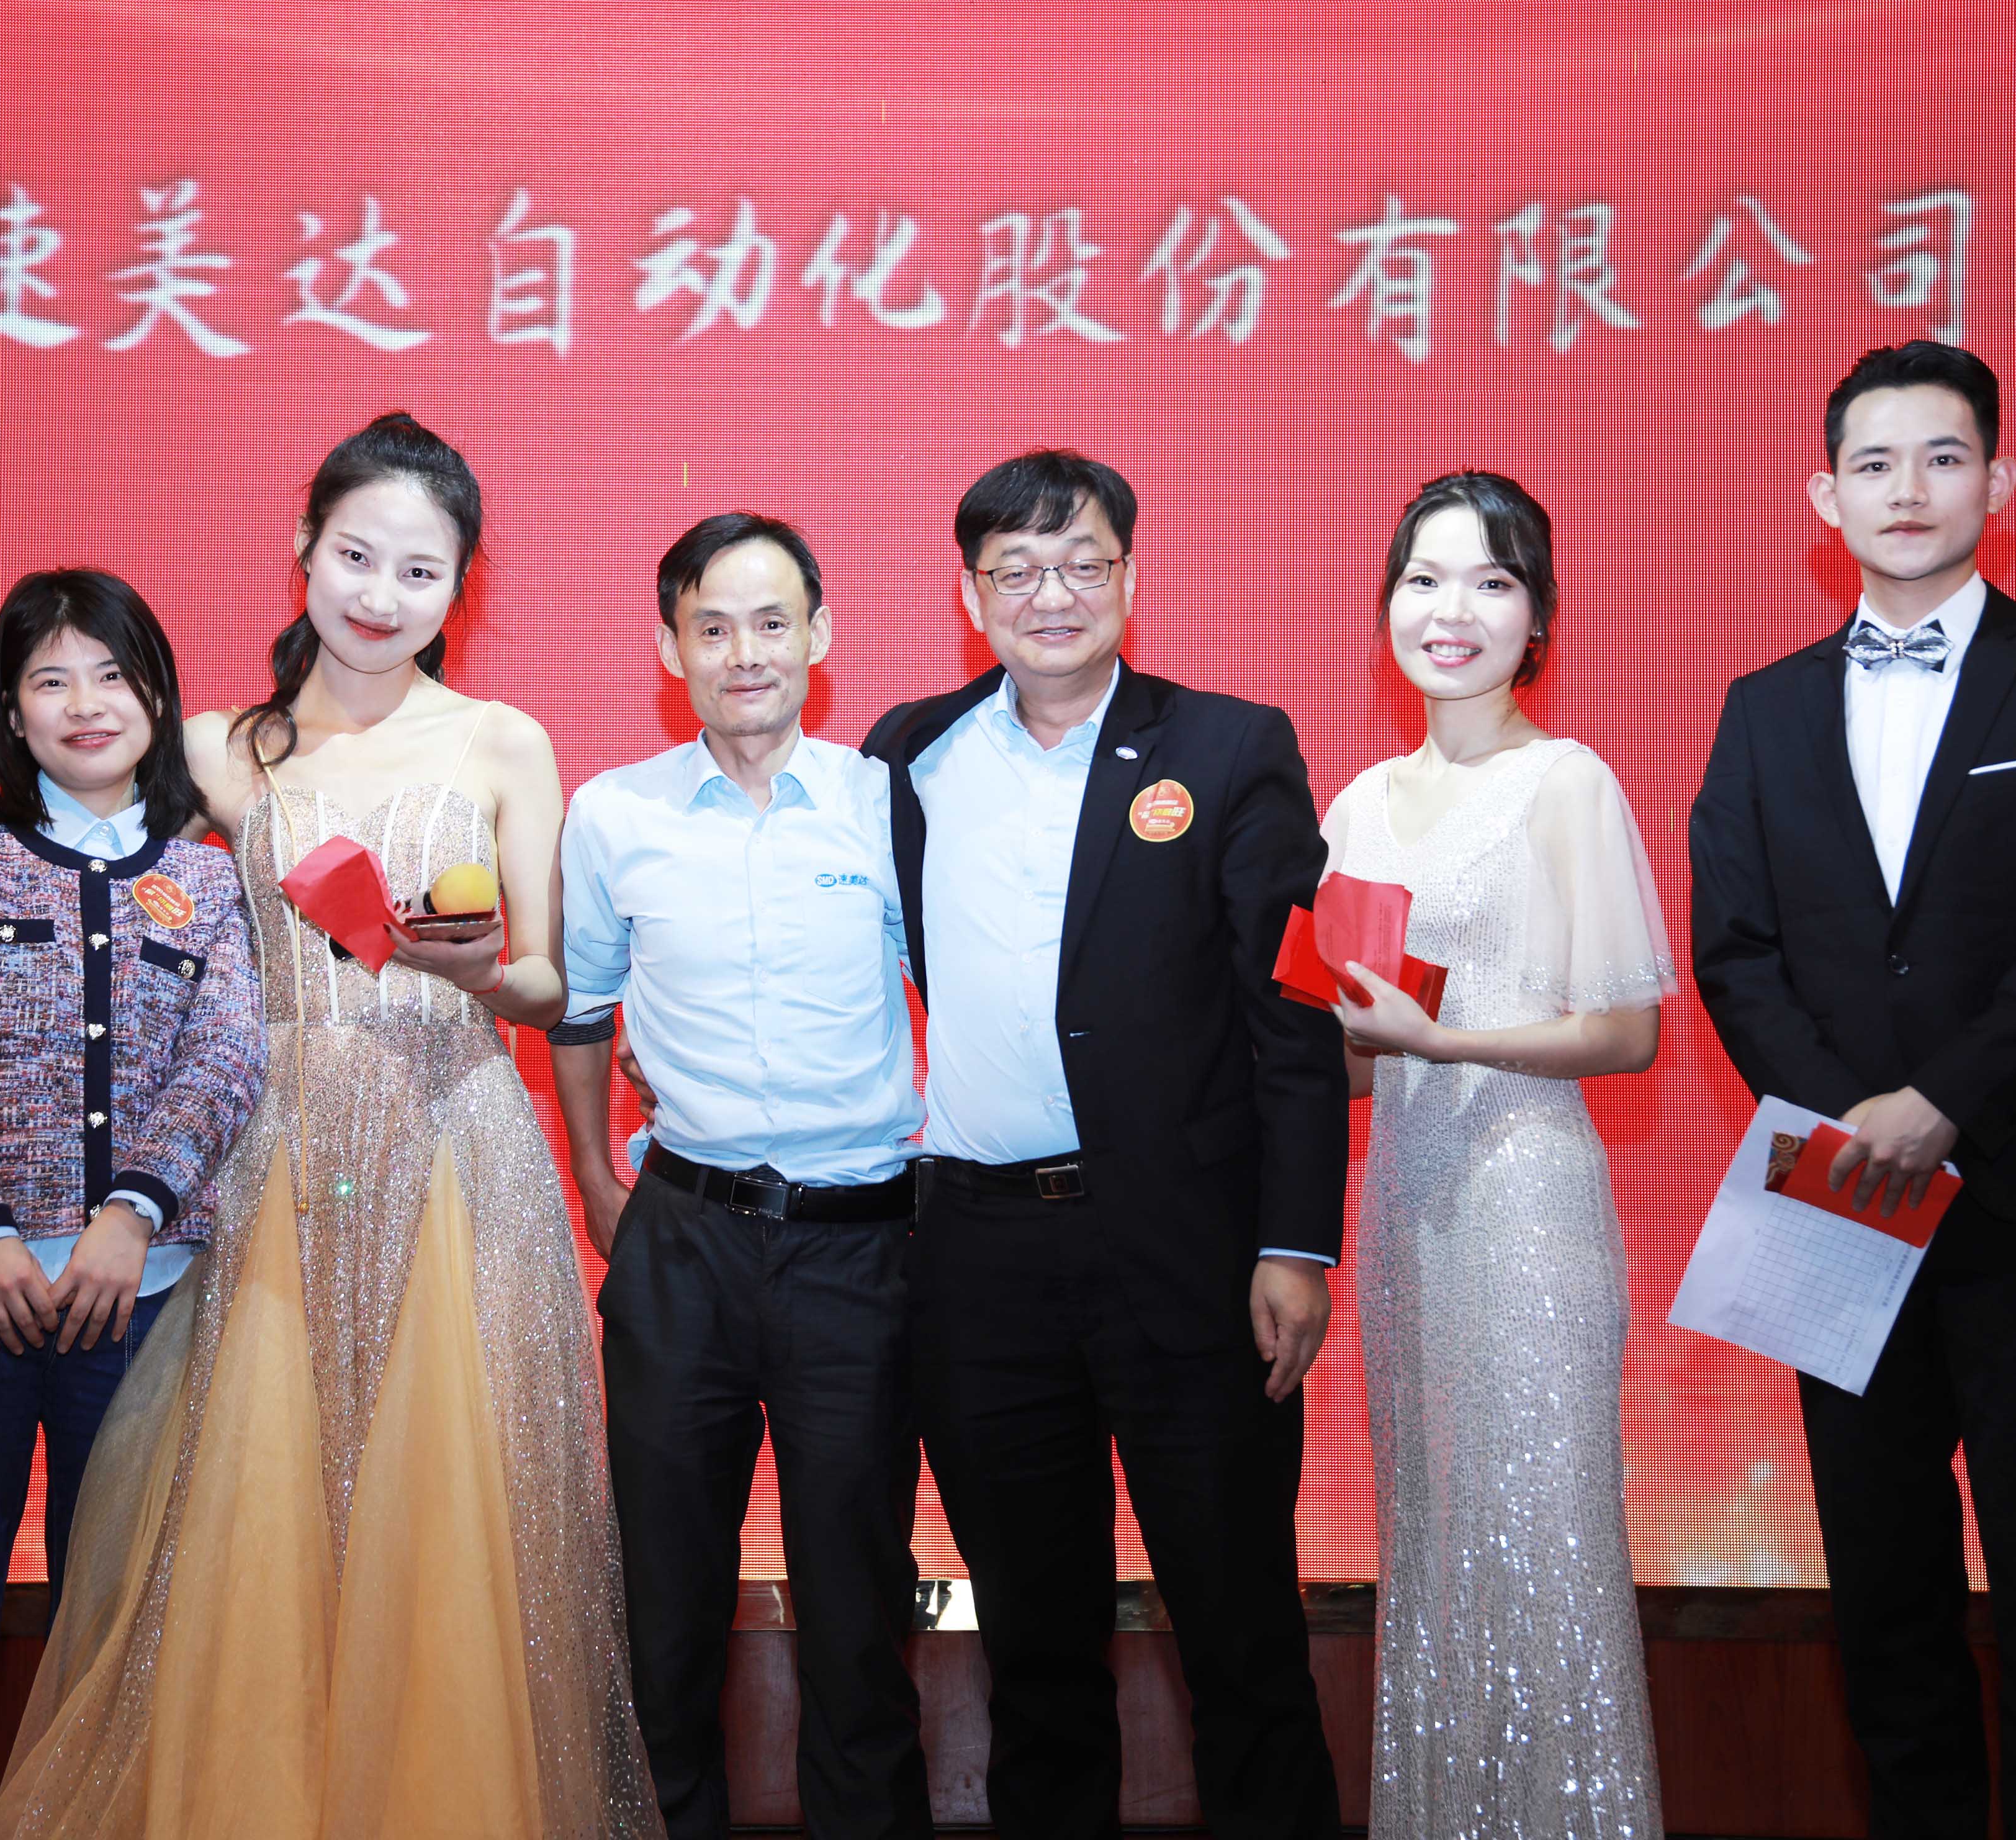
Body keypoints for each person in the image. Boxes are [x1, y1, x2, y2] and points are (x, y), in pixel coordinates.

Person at [0, 413, 661, 1834]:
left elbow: (550, 984)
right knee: (257, 1517)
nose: (380, 594)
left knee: (442, 1511)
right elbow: (79, 850)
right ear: (303, 549)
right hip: (264, 1158)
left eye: (420, 571)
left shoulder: (504, 742)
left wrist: (483, 972)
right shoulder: (220, 748)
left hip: (453, 1140)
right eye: (355, 555)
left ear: (460, 586)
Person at [1690, 341, 2016, 1838]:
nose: (1909, 489)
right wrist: (1853, 1119)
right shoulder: (1762, 706)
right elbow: (1735, 950)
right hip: (1834, 1197)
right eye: (1875, 463)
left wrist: (1942, 1100)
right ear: (1824, 495)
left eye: (1944, 457)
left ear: (1998, 481)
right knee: (1882, 1590)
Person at [860, 450, 1347, 1840]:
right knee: (1035, 1647)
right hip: (979, 1260)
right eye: (1016, 569)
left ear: (1130, 575)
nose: (1052, 594)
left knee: (1241, 1631)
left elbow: (1294, 1014)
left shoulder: (1230, 747)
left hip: (1186, 1252)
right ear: (971, 594)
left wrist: (1295, 1244)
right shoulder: (907, 755)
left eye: (1083, 562)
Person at [0, 568, 266, 1840]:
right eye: (52, 679)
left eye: (115, 676)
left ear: (157, 700)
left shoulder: (213, 879)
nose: (86, 704)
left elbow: (226, 1060)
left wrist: (132, 1219)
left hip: (145, 1311)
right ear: (11, 712)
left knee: (119, 1645)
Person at [555, 513, 931, 1839]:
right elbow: (581, 1007)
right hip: (683, 1241)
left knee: (857, 1605)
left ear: (820, 636)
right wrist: (597, 1175)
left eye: (773, 623)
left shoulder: (888, 803)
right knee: (663, 1606)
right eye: (711, 628)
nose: (745, 653)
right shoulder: (614, 815)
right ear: (672, 650)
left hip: (860, 1248)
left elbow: (957, 988)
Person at [1316, 472, 1673, 1838]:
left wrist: (1443, 1041)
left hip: (1530, 1211)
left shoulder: (1565, 782)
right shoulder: (1358, 804)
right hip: (1408, 1214)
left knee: (1546, 1542)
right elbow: (1355, 1051)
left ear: (1538, 618)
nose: (1449, 610)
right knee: (1436, 1542)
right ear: (1386, 607)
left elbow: (1627, 1031)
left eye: (1490, 581)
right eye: (1423, 579)